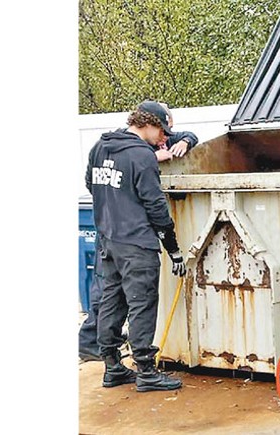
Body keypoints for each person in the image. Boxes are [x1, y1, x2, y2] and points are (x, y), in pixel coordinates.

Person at [78, 103, 198, 362]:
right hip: (137, 243)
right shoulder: (141, 156)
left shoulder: (100, 147)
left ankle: (112, 366)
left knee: (113, 300)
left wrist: (118, 204)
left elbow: (92, 184)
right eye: (162, 131)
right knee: (142, 303)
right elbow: (156, 207)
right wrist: (174, 250)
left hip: (108, 240)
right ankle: (146, 369)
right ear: (148, 123)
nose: (164, 139)